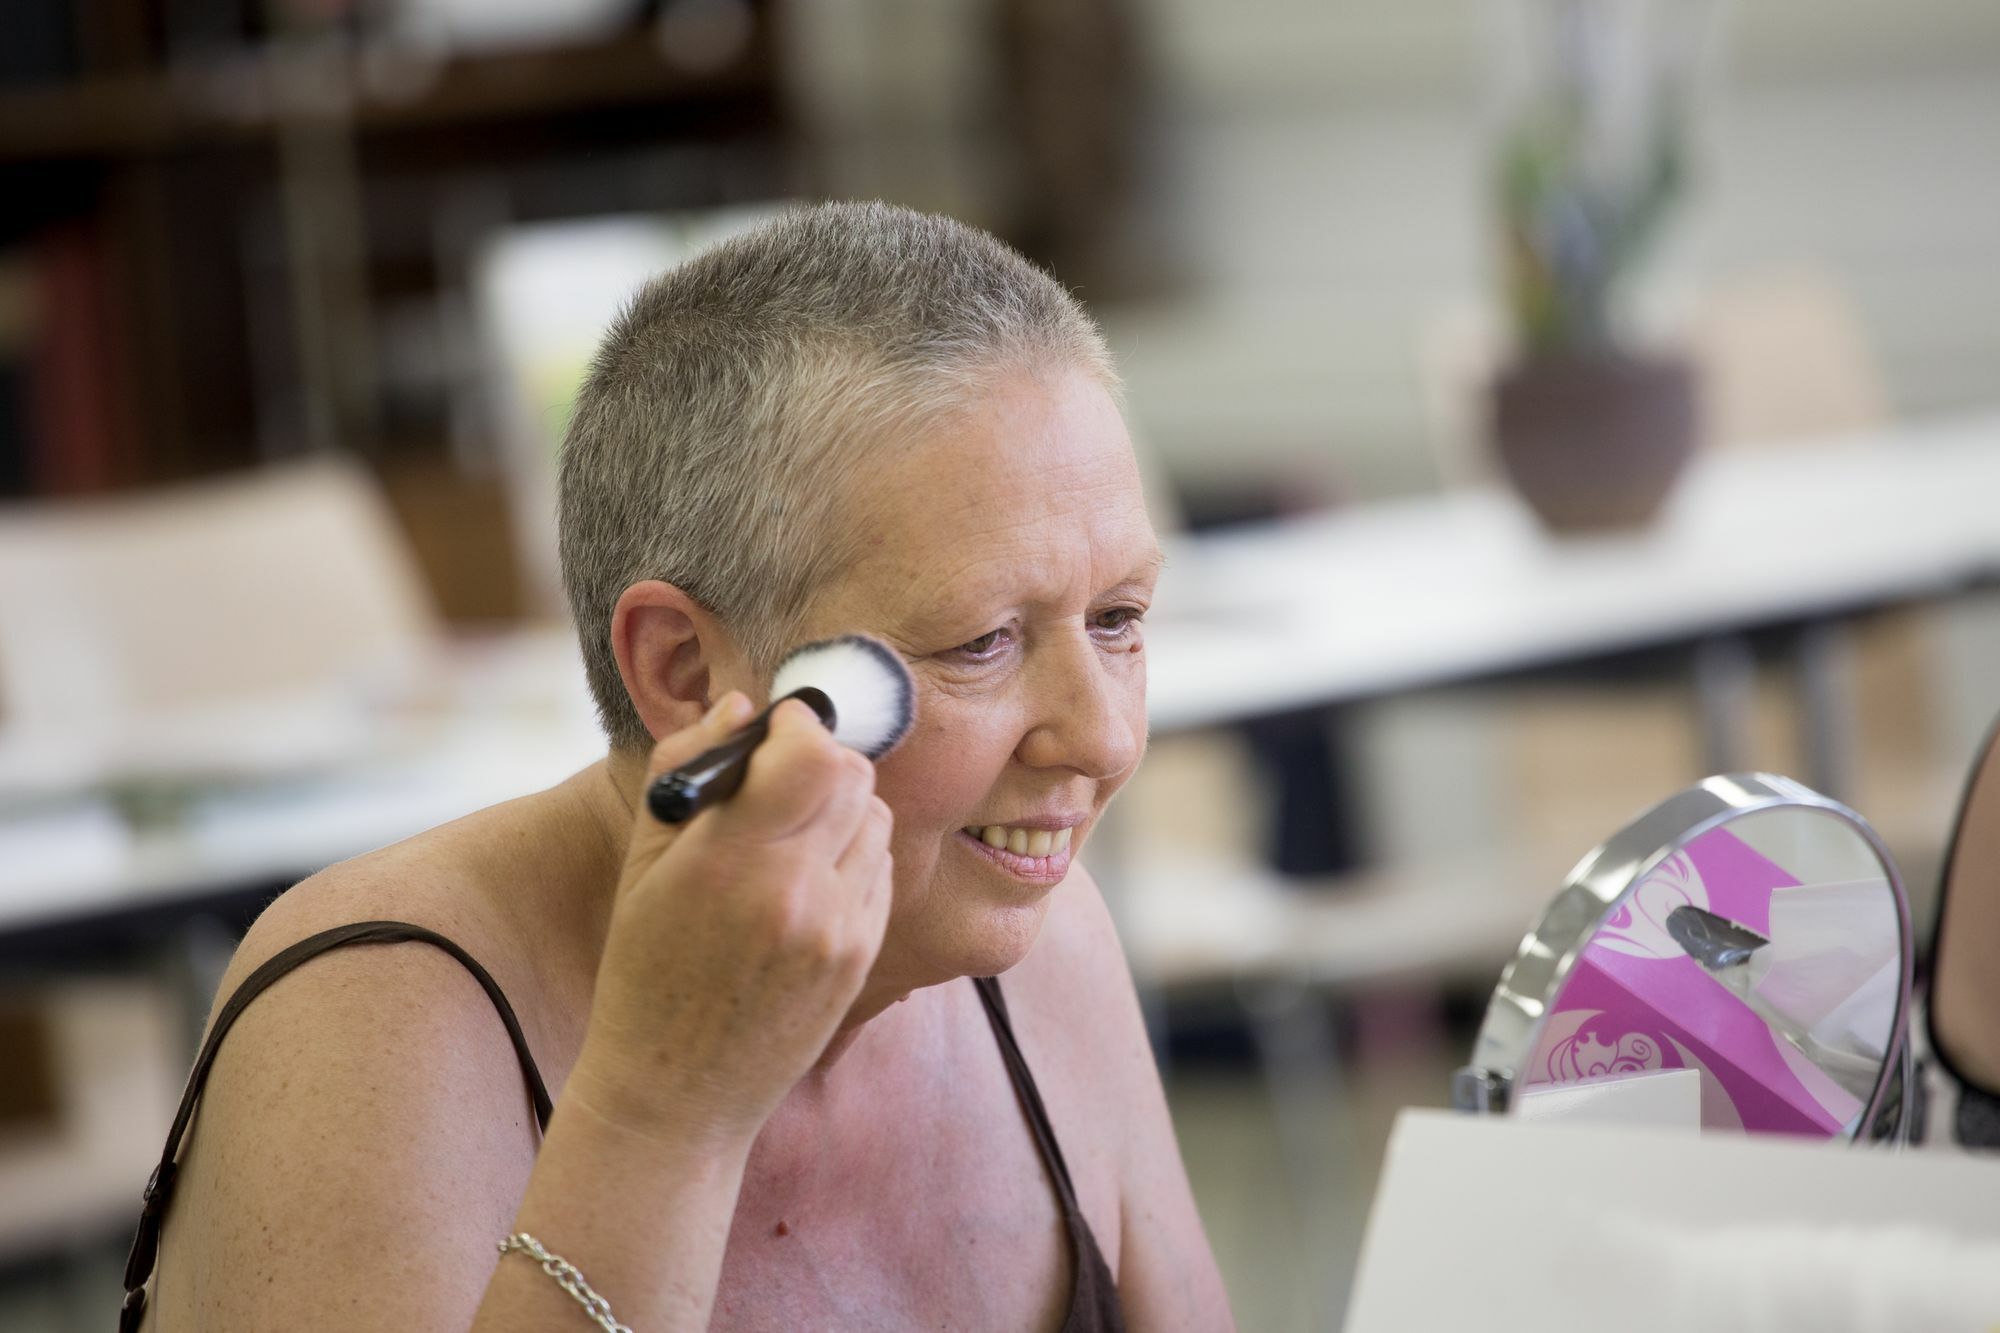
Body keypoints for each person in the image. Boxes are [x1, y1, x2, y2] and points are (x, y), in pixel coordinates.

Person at [129, 201, 1234, 1330]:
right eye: (981, 641)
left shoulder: (1041, 943)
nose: (1104, 741)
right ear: (685, 672)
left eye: (1118, 618)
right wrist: (668, 1112)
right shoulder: (372, 1017)